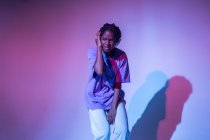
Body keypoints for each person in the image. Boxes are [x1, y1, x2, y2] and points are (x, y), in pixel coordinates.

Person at [85, 23, 130, 140]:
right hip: (95, 98)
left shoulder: (121, 56)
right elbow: (99, 71)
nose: (107, 43)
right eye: (104, 39)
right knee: (103, 133)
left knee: (122, 130)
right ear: (100, 39)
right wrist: (99, 47)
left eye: (111, 40)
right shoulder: (93, 52)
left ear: (117, 41)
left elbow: (118, 83)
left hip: (114, 97)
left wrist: (113, 108)